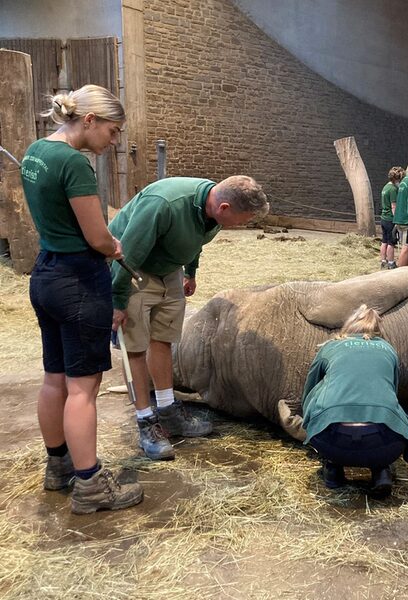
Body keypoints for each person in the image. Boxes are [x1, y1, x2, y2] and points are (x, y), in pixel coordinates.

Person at [19, 84, 144, 514]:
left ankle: (59, 466)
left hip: (46, 274)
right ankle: (90, 486)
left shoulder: (37, 151)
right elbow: (96, 235)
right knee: (83, 388)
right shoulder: (74, 162)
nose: (113, 142)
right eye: (112, 131)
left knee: (54, 377)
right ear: (89, 120)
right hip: (77, 281)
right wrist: (114, 246)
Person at [109, 175, 269, 460]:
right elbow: (129, 252)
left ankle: (169, 412)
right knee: (135, 345)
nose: (242, 226)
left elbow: (198, 239)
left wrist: (189, 270)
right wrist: (117, 300)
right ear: (224, 207)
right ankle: (146, 422)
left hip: (167, 267)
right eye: (242, 220)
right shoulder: (166, 203)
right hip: (133, 268)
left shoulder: (214, 211)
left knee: (164, 338)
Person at [301, 305, 408, 497]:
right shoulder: (388, 349)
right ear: (378, 331)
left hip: (332, 442)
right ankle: (381, 471)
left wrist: (310, 421)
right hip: (385, 445)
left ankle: (333, 468)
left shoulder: (331, 346)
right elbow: (392, 392)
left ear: (349, 327)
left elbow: (309, 388)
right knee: (388, 410)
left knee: (321, 394)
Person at [379, 166, 404, 269]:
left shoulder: (385, 187)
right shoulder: (393, 189)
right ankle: (391, 262)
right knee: (391, 242)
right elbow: (394, 206)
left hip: (383, 218)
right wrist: (397, 220)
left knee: (384, 241)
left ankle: (383, 261)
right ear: (397, 178)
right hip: (390, 219)